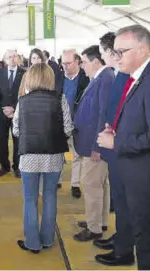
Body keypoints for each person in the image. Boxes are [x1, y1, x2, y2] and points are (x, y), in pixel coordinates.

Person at [97, 24, 150, 270]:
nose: (116, 58)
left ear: (142, 50)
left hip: (141, 172)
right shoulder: (135, 78)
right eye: (114, 52)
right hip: (133, 167)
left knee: (145, 236)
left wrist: (117, 141)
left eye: (121, 52)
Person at [13, 63, 73, 253]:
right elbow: (68, 128)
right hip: (53, 156)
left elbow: (15, 130)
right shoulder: (60, 99)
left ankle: (32, 242)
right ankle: (48, 239)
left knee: (30, 199)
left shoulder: (22, 101)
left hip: (29, 156)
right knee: (50, 197)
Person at [93, 31, 134, 267]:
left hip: (123, 149)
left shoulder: (126, 76)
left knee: (124, 201)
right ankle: (121, 239)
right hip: (115, 146)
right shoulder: (120, 75)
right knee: (120, 200)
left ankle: (124, 250)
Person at [73, 45, 114, 242]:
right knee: (101, 184)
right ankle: (99, 220)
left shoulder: (105, 78)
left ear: (97, 61)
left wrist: (97, 146)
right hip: (92, 141)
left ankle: (94, 228)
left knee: (91, 184)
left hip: (94, 144)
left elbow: (103, 114)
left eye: (84, 62)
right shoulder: (99, 78)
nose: (82, 66)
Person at [57, 49, 90, 198]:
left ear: (77, 62)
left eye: (68, 63)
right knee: (58, 154)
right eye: (63, 63)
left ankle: (75, 184)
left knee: (77, 155)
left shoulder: (86, 79)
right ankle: (56, 180)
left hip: (79, 124)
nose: (65, 66)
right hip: (60, 123)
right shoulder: (58, 78)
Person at [0, 49, 26, 178]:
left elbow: (24, 93)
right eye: (9, 57)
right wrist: (2, 108)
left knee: (18, 140)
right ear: (5, 59)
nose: (12, 59)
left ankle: (17, 166)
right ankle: (4, 165)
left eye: (14, 56)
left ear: (18, 58)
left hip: (18, 112)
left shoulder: (24, 73)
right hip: (1, 113)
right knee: (1, 139)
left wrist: (13, 108)